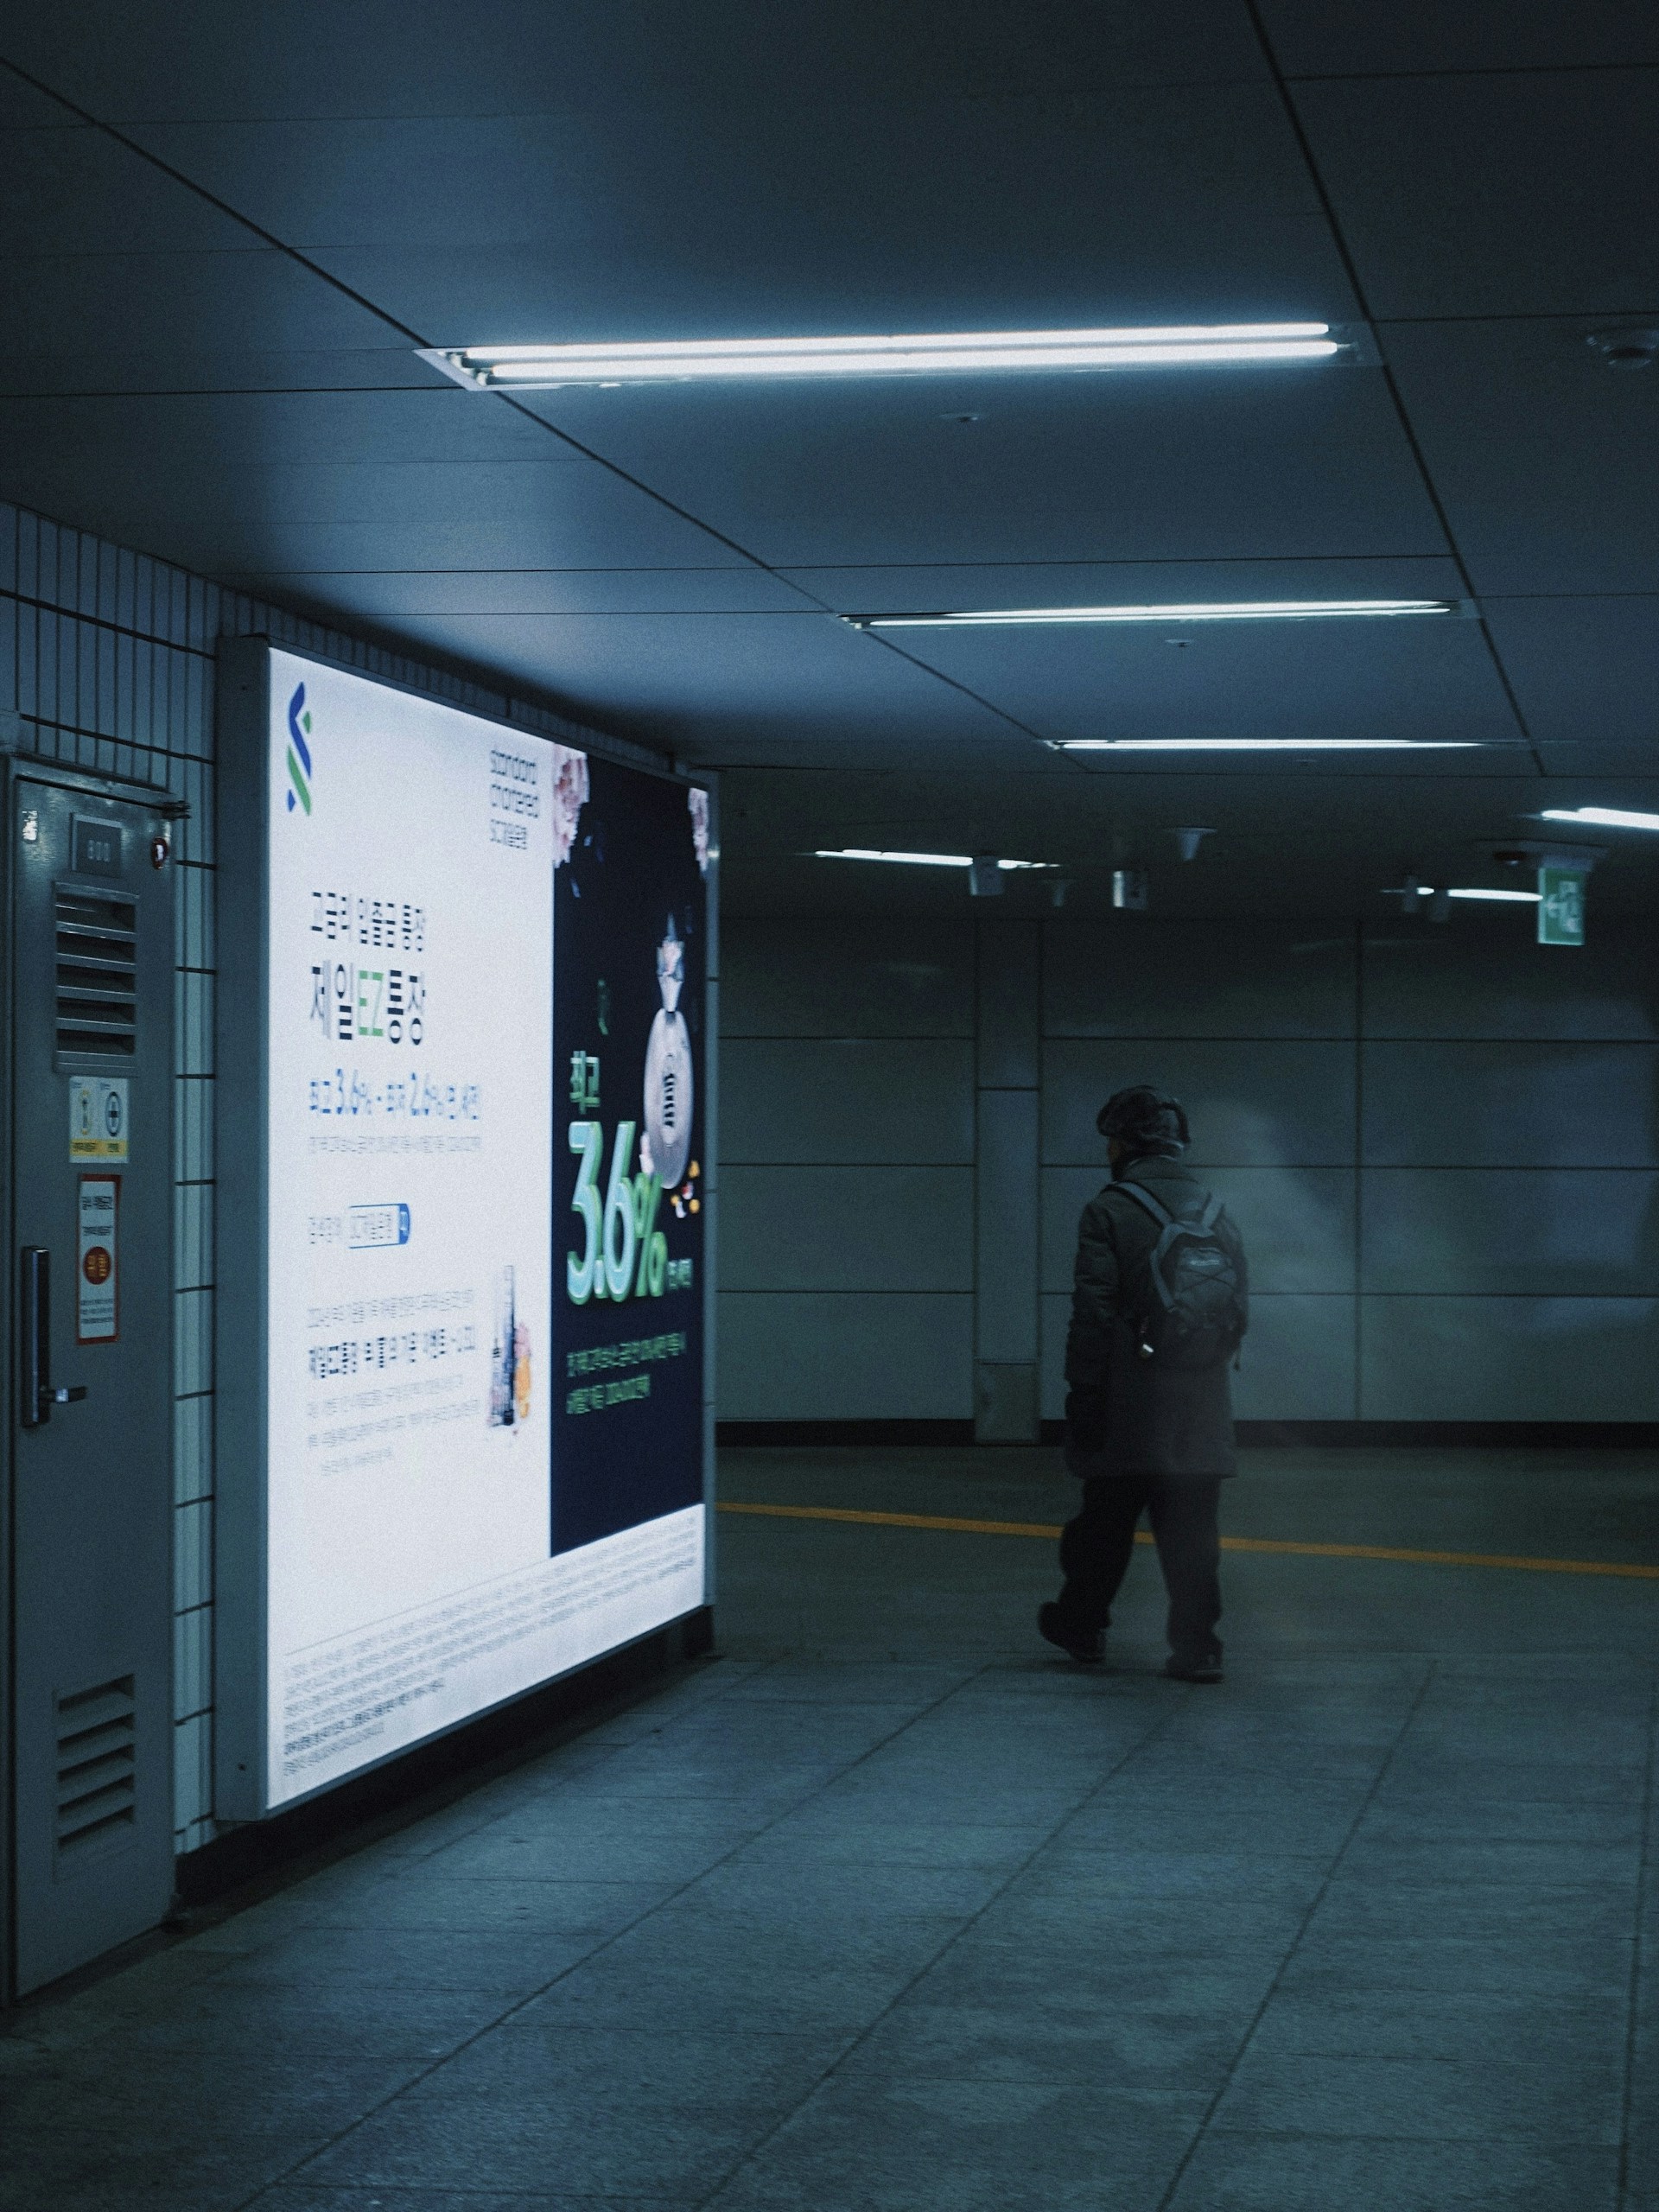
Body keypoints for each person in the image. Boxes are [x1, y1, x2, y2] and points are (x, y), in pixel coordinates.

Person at [1039, 1085, 1247, 1683]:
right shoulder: (1215, 1210)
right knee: (1192, 1532)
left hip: (1130, 1398)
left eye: (1111, 1138)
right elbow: (1240, 1310)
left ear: (1126, 1144)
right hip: (1202, 1401)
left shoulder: (1109, 1210)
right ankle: (1198, 1646)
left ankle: (1081, 1626)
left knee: (1104, 1522)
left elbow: (1094, 1312)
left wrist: (1084, 1389)